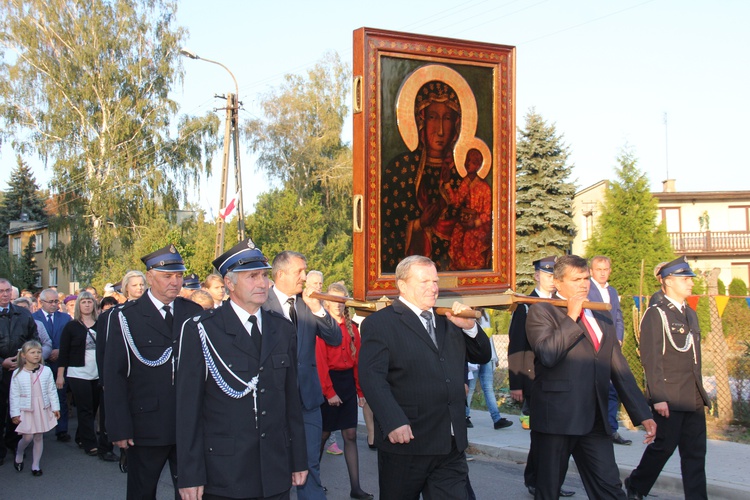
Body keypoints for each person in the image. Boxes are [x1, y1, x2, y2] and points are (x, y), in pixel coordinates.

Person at [177, 238, 307, 500]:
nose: (262, 283)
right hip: (225, 472)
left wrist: (298, 458)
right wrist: (190, 473)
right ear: (229, 283)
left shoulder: (281, 329)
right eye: (252, 276)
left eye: (263, 275)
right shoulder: (202, 330)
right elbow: (188, 409)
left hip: (274, 469)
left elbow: (291, 401)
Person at [359, 255, 491, 499]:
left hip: (450, 442)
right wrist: (393, 420)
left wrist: (470, 327)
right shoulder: (380, 324)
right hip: (408, 442)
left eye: (435, 281)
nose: (433, 287)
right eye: (424, 282)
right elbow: (371, 378)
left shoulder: (448, 318)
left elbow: (482, 355)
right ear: (402, 285)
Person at [525, 255, 657, 500]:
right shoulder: (541, 311)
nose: (584, 284)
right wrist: (572, 317)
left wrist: (642, 414)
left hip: (594, 419)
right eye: (576, 279)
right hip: (557, 419)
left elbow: (619, 367)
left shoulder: (600, 313)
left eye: (586, 278)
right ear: (557, 282)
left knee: (610, 487)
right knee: (548, 491)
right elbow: (547, 355)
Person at [104, 244, 202, 500]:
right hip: (145, 425)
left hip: (188, 424)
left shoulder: (193, 313)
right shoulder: (125, 317)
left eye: (179, 276)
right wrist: (119, 427)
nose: (175, 282)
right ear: (149, 277)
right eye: (167, 276)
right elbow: (114, 376)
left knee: (193, 493)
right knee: (141, 492)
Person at [625, 256, 709, 500]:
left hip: (692, 395)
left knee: (695, 454)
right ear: (669, 281)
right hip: (670, 397)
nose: (690, 283)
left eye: (690, 279)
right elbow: (651, 360)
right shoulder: (656, 314)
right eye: (685, 279)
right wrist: (658, 397)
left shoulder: (690, 314)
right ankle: (637, 485)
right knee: (662, 448)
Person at [263, 251, 342, 500]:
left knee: (309, 467)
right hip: (272, 402)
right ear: (281, 274)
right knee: (274, 469)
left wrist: (317, 308)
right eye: (300, 271)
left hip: (307, 401)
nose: (305, 277)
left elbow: (335, 338)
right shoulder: (260, 303)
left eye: (305, 271)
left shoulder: (306, 304)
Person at [381, 80, 464, 272]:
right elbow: (386, 232)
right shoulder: (399, 169)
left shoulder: (460, 177)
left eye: (447, 119)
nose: (440, 130)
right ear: (421, 120)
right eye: (433, 117)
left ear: (457, 124)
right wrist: (418, 225)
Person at [317, 282, 373, 500]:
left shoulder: (353, 328)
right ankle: (313, 483)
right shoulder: (321, 327)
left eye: (342, 300)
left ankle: (356, 488)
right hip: (329, 383)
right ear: (326, 302)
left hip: (348, 383)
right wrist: (329, 392)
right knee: (322, 436)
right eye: (334, 300)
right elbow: (320, 362)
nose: (338, 305)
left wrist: (360, 391)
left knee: (350, 434)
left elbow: (358, 361)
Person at [96, 269, 148, 470]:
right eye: (134, 285)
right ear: (126, 288)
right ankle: (123, 451)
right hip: (121, 374)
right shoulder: (112, 315)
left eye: (142, 284)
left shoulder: (154, 313)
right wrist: (105, 380)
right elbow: (104, 350)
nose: (139, 288)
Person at [587, 255, 630, 446]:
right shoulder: (587, 289)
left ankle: (612, 430)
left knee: (612, 389)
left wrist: (619, 337)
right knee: (594, 389)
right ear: (591, 271)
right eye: (599, 269)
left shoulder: (612, 291)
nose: (603, 272)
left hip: (612, 346)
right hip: (594, 348)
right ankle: (594, 428)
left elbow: (618, 317)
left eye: (606, 269)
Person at [56, 291, 103, 457]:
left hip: (97, 373)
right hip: (77, 372)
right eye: (84, 302)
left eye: (90, 302)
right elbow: (64, 353)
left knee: (94, 406)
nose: (87, 305)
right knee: (85, 408)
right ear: (78, 305)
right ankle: (90, 444)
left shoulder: (100, 324)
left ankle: (80, 436)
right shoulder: (71, 326)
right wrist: (60, 375)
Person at [0, 278, 39, 465]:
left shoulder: (23, 314)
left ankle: (14, 443)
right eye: (1, 291)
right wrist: (2, 362)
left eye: (7, 290)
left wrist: (26, 358)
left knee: (17, 409)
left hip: (20, 371)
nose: (5, 294)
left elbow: (34, 339)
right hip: (2, 369)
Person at [305, 270, 343, 456]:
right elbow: (320, 358)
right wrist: (329, 391)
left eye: (320, 284)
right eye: (314, 284)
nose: (318, 287)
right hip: (316, 381)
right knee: (318, 433)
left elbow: (337, 339)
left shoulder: (323, 314)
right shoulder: (303, 309)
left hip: (334, 381)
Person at [10, 340, 60, 476]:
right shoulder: (17, 373)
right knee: (27, 437)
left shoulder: (47, 371)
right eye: (32, 352)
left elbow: (51, 390)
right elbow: (13, 395)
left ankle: (35, 465)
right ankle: (19, 453)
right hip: (26, 408)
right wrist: (14, 414)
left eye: (38, 352)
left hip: (41, 407)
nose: (36, 355)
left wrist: (55, 407)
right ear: (24, 355)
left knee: (38, 436)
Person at [33, 287, 72, 443]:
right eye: (51, 302)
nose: (54, 304)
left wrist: (60, 351)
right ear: (41, 302)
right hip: (40, 363)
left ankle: (61, 429)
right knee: (38, 398)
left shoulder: (65, 318)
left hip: (60, 362)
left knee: (60, 396)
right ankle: (37, 429)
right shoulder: (32, 318)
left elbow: (71, 339)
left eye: (57, 301)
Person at [444, 148, 492, 270]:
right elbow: (456, 202)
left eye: (470, 161)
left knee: (470, 239)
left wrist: (475, 222)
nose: (466, 164)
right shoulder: (465, 183)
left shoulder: (484, 187)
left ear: (477, 165)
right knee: (456, 233)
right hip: (465, 221)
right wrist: (447, 184)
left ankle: (473, 271)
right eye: (466, 160)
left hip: (479, 225)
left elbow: (487, 213)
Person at [465, 309, 512, 431]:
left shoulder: (486, 315)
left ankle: (497, 419)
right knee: (470, 389)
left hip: (487, 356)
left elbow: (489, 339)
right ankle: (465, 415)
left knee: (488, 388)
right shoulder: (467, 313)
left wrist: (495, 356)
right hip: (474, 357)